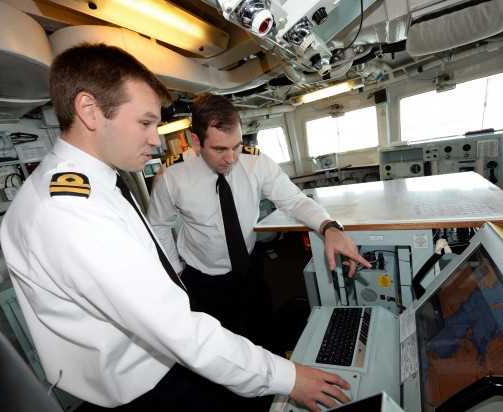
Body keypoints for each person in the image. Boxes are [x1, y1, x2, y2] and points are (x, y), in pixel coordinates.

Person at [0, 43, 351, 412]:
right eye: (145, 122)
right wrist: (290, 378)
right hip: (150, 382)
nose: (156, 138)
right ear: (89, 110)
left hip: (174, 348)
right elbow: (175, 325)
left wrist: (328, 226)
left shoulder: (96, 186)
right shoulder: (69, 209)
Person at [146, 93, 372, 354]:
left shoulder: (256, 162)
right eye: (220, 149)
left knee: (265, 335)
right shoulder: (172, 176)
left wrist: (330, 227)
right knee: (221, 347)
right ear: (196, 141)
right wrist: (176, 270)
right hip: (203, 278)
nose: (231, 158)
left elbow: (295, 201)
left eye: (236, 146)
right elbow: (159, 225)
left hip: (249, 268)